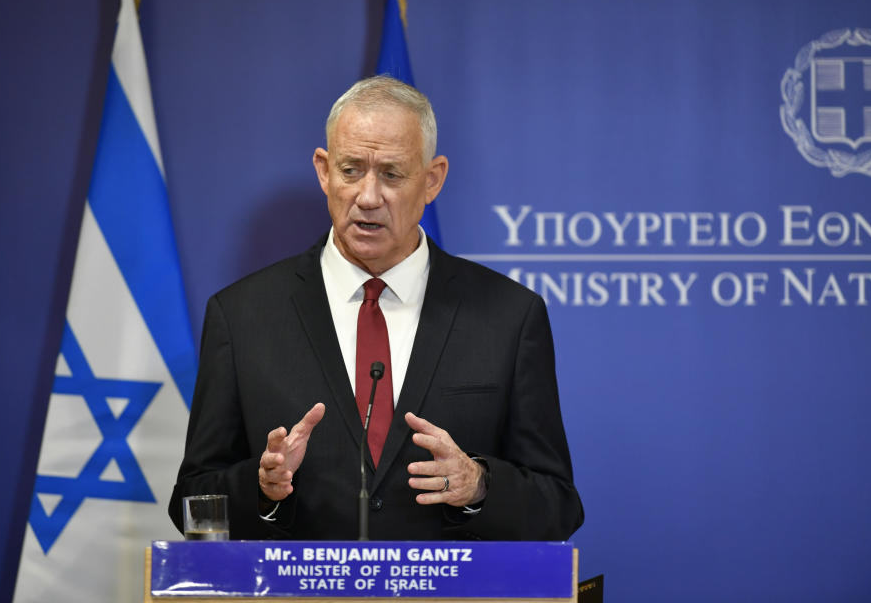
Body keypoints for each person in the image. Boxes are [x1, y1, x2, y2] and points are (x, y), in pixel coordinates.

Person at [168, 76, 583, 540]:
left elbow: (558, 505)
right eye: (350, 170)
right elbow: (191, 501)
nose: (367, 197)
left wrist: (478, 485)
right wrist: (262, 489)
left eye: (391, 174)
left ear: (432, 180)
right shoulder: (241, 315)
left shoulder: (509, 316)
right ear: (324, 171)